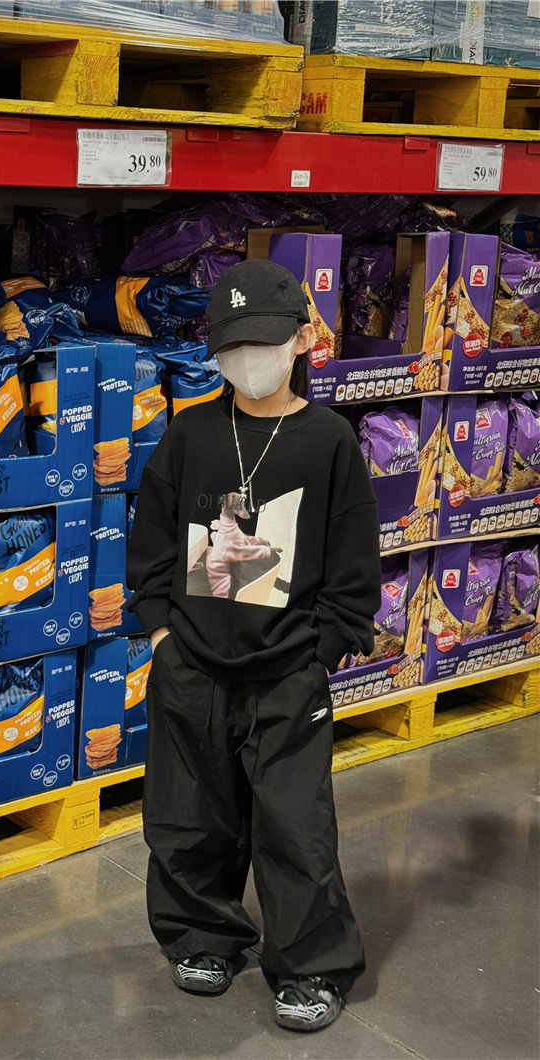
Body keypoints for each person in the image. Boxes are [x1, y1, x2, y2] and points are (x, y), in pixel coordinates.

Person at [126, 258, 381, 1033]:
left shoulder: (329, 441)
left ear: (302, 339)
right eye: (232, 345)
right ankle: (203, 936)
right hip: (192, 668)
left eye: (264, 342)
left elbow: (353, 563)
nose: (248, 360)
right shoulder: (191, 432)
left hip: (288, 675)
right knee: (187, 817)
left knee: (295, 827)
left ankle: (311, 966)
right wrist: (162, 635)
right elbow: (152, 539)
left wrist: (320, 653)